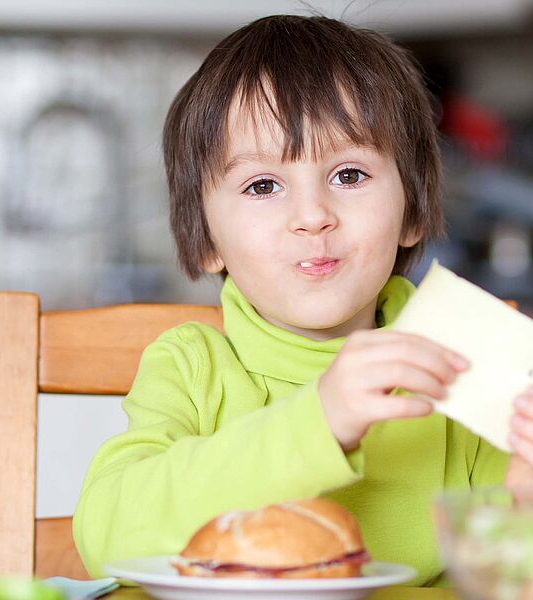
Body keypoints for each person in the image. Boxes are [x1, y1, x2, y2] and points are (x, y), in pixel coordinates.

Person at [73, 14, 533, 585]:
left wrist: (523, 490)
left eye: (348, 174)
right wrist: (320, 421)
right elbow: (107, 538)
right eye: (263, 186)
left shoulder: (458, 361)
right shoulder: (192, 366)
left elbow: (505, 580)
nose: (313, 216)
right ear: (204, 238)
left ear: (412, 209)